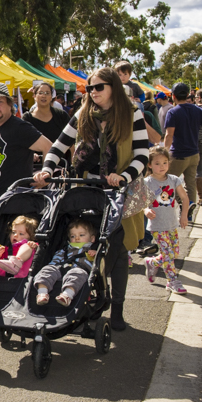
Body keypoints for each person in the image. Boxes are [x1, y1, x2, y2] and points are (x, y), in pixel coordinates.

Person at [35, 67, 149, 330]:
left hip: (120, 189)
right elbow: (58, 146)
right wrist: (47, 169)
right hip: (86, 187)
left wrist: (124, 176)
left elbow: (142, 154)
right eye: (90, 88)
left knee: (118, 250)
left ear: (113, 87)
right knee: (83, 245)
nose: (93, 92)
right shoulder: (83, 113)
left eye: (99, 87)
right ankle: (83, 303)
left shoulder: (131, 112)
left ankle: (117, 307)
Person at [0, 83, 52, 247]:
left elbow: (48, 147)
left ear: (10, 105)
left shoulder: (20, 127)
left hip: (13, 204)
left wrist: (46, 174)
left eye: (0, 102)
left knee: (7, 253)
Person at [163, 83, 202, 214]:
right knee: (190, 184)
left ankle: (179, 206)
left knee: (167, 182)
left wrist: (164, 152)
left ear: (173, 96)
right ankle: (189, 210)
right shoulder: (197, 110)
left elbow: (169, 135)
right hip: (194, 154)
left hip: (178, 154)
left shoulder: (173, 112)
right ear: (188, 95)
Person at [141, 145, 190, 293]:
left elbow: (185, 198)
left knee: (173, 253)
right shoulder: (147, 182)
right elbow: (142, 201)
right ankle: (172, 281)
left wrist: (184, 215)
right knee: (168, 254)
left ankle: (152, 262)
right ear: (150, 165)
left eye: (164, 162)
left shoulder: (174, 179)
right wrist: (146, 210)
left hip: (172, 224)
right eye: (157, 163)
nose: (162, 166)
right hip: (157, 225)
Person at [34, 219, 97, 306]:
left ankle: (67, 295)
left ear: (92, 238)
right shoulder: (64, 250)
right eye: (73, 236)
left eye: (81, 235)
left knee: (77, 273)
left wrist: (95, 254)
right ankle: (42, 293)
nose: (77, 238)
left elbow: (98, 265)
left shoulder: (91, 252)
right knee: (47, 269)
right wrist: (52, 268)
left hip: (79, 272)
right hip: (61, 270)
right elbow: (55, 262)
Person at [0, 216, 38, 301]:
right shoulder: (6, 249)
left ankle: (15, 263)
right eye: (13, 232)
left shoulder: (30, 245)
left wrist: (33, 245)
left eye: (21, 234)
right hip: (7, 274)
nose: (15, 235)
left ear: (30, 236)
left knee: (26, 246)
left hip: (23, 274)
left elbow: (37, 250)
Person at [23, 83, 70, 165]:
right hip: (36, 166)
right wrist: (31, 154)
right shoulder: (27, 118)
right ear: (34, 96)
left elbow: (71, 141)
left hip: (60, 165)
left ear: (51, 96)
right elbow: (23, 142)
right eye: (40, 93)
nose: (43, 96)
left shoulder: (61, 115)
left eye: (47, 93)